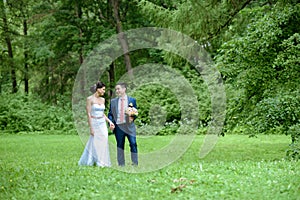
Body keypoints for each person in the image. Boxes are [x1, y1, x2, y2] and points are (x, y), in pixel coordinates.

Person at [78, 81, 115, 167]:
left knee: (104, 140)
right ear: (98, 89)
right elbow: (89, 114)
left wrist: (110, 122)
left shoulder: (103, 100)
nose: (104, 91)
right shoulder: (89, 99)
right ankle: (90, 159)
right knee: (94, 142)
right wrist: (91, 128)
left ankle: (102, 161)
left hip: (102, 122)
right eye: (103, 89)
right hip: (94, 122)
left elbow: (102, 113)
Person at [108, 82, 138, 166]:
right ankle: (121, 164)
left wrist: (133, 117)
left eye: (118, 89)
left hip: (129, 126)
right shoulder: (113, 102)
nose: (117, 91)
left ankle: (135, 163)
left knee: (133, 143)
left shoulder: (132, 100)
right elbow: (110, 114)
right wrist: (110, 122)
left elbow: (135, 112)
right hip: (119, 127)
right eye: (116, 89)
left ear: (124, 89)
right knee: (120, 146)